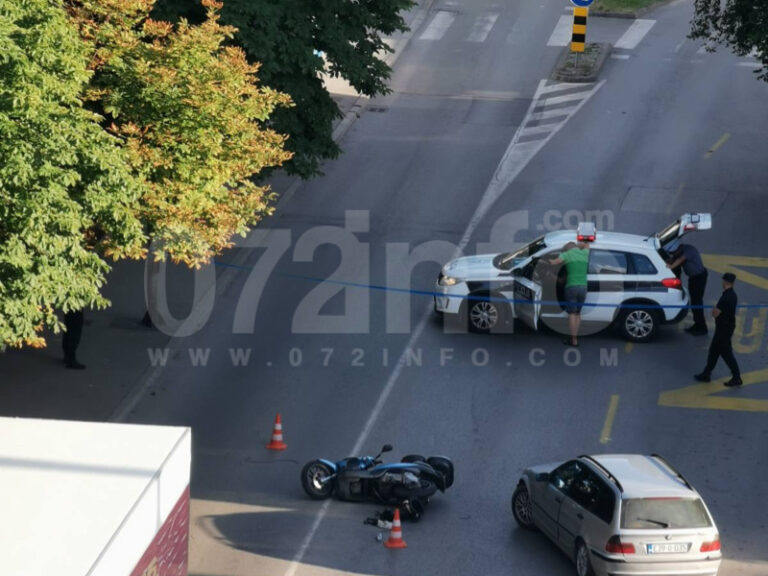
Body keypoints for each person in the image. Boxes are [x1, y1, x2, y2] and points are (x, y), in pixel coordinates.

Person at [694, 273, 741, 387]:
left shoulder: (725, 297)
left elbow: (715, 314)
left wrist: (715, 309)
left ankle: (736, 377)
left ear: (724, 281)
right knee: (714, 351)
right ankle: (706, 373)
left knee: (726, 354)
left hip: (723, 330)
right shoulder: (732, 295)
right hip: (726, 328)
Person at [547, 242, 589, 346]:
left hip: (571, 287)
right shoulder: (584, 253)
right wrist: (577, 245)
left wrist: (544, 260)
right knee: (578, 313)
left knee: (571, 313)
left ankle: (573, 340)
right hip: (583, 287)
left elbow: (553, 262)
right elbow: (587, 245)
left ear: (566, 249)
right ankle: (576, 337)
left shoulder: (566, 255)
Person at [665, 240, 708, 335]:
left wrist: (668, 266)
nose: (672, 254)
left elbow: (677, 262)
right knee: (695, 303)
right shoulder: (679, 251)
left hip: (699, 278)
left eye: (672, 253)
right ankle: (697, 324)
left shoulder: (688, 251)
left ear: (676, 249)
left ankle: (702, 328)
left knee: (697, 303)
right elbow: (673, 259)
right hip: (693, 278)